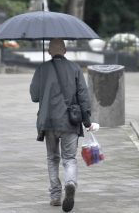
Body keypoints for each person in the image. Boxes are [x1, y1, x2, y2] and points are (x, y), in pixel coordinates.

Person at [30, 38, 98, 211]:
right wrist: (87, 120)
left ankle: (55, 196)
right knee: (69, 159)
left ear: (49, 52)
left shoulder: (42, 69)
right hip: (70, 121)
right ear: (65, 51)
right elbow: (83, 96)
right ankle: (70, 184)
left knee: (52, 159)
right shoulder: (75, 69)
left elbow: (34, 96)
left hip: (48, 122)